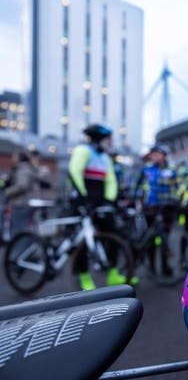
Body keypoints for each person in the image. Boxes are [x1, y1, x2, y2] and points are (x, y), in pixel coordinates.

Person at [68, 124, 128, 290]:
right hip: (82, 200)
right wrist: (83, 196)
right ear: (98, 139)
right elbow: (74, 171)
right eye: (108, 139)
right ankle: (84, 275)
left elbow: (110, 181)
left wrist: (109, 200)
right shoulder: (83, 150)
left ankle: (113, 273)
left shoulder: (105, 158)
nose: (110, 142)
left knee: (112, 232)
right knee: (83, 239)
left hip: (100, 203)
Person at [133, 144, 179, 277]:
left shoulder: (171, 170)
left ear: (164, 155)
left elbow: (178, 187)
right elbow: (136, 186)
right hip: (150, 208)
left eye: (157, 154)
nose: (154, 157)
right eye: (153, 154)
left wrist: (175, 200)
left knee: (165, 238)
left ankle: (165, 267)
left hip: (167, 209)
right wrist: (133, 198)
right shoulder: (146, 170)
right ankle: (152, 267)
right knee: (151, 239)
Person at [3, 149, 42, 236]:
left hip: (20, 204)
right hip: (21, 203)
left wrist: (7, 192)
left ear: (19, 158)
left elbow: (22, 186)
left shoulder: (23, 170)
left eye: (14, 156)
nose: (12, 159)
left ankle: (18, 249)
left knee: (18, 231)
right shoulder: (25, 168)